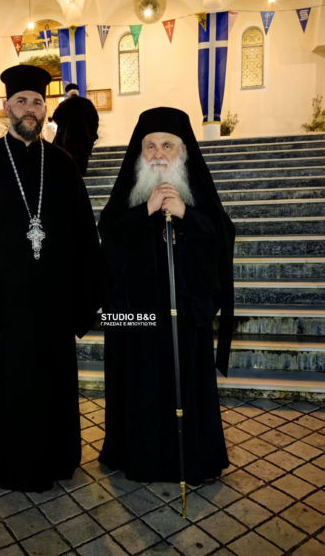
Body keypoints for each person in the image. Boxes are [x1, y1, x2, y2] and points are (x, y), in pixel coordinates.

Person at [0, 64, 101, 492]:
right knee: (8, 388)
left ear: (45, 109)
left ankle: (57, 458)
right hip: (2, 313)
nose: (30, 109)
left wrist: (82, 293)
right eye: (21, 101)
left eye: (36, 102)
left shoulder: (63, 165)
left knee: (53, 384)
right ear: (6, 108)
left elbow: (84, 236)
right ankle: (7, 463)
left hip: (52, 309)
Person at [98, 107, 235, 486]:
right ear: (140, 152)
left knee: (185, 384)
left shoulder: (196, 194)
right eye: (150, 146)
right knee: (141, 385)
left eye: (167, 145)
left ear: (183, 150)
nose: (158, 154)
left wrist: (185, 214)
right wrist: (146, 211)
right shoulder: (130, 194)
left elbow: (222, 236)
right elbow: (108, 238)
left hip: (185, 316)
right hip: (136, 321)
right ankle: (139, 456)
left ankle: (189, 458)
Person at [52, 83, 99, 175]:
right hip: (85, 136)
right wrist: (92, 133)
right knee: (83, 157)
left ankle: (73, 175)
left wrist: (64, 127)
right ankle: (82, 173)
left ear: (68, 93)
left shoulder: (63, 104)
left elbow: (56, 117)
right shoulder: (87, 103)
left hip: (69, 138)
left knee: (71, 157)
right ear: (77, 92)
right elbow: (95, 119)